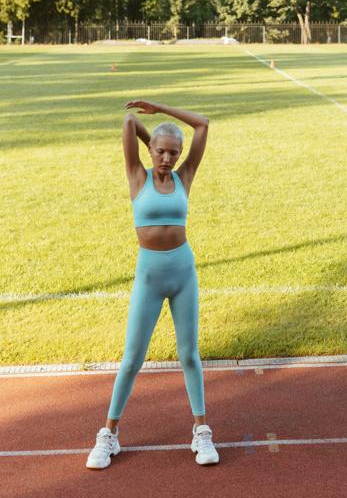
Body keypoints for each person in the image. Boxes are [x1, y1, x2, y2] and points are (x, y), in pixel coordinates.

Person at [86, 100, 218, 469]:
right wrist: (150, 135)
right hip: (149, 275)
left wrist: (162, 110)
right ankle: (108, 435)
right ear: (150, 151)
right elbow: (128, 119)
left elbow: (203, 123)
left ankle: (201, 432)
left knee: (189, 354)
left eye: (173, 153)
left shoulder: (184, 177)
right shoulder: (137, 176)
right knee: (132, 359)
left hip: (182, 273)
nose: (167, 158)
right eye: (160, 151)